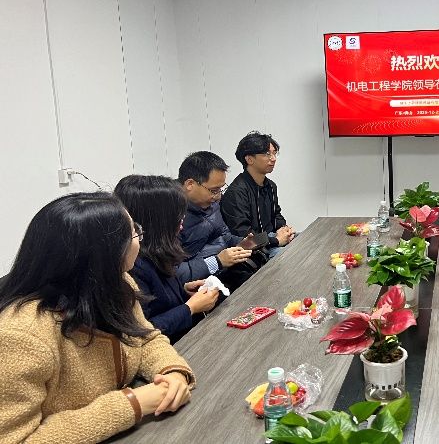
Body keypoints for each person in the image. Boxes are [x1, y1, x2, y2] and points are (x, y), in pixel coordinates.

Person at [0, 192, 195, 443]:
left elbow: (144, 338)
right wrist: (132, 404)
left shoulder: (118, 284)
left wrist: (172, 372)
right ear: (104, 253)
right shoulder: (22, 336)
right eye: (134, 232)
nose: (140, 237)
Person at [115, 175, 220, 343]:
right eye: (176, 216)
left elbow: (159, 300)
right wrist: (190, 308)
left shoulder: (158, 251)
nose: (182, 222)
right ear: (158, 221)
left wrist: (184, 291)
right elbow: (141, 331)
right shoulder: (133, 265)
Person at [177, 151, 254, 291]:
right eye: (214, 190)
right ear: (190, 184)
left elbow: (224, 236)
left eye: (220, 189)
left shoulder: (211, 203)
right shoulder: (171, 216)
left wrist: (242, 243)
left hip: (224, 273)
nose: (218, 196)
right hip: (198, 287)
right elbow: (175, 273)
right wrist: (218, 261)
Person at [221, 132, 295, 259]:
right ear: (249, 159)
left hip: (272, 238)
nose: (273, 158)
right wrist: (276, 240)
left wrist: (285, 229)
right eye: (267, 154)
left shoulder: (270, 185)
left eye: (274, 153)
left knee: (307, 239)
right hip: (255, 250)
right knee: (293, 256)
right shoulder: (236, 192)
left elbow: (276, 215)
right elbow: (244, 238)